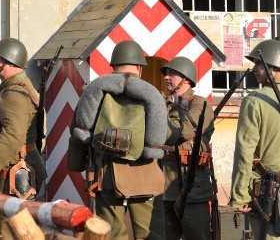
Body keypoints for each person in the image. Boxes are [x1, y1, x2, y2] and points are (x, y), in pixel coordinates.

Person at [68, 40, 167, 240]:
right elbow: (165, 134)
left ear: (112, 66)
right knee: (150, 234)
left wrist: (78, 166)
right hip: (145, 175)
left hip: (108, 175)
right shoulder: (154, 96)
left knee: (112, 234)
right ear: (139, 66)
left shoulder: (95, 91)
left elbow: (78, 133)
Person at [0, 37, 47, 237]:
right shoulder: (3, 90)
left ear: (10, 61)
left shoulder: (14, 93)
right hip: (7, 166)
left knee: (10, 232)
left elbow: (13, 136)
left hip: (16, 170)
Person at [230, 39, 280, 239]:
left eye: (259, 64)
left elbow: (244, 153)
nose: (254, 69)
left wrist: (239, 196)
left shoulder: (254, 100)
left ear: (274, 66)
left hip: (269, 196)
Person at [160, 57, 214, 240]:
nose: (167, 77)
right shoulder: (164, 104)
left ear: (186, 79)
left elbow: (184, 131)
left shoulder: (200, 104)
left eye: (172, 74)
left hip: (191, 183)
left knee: (198, 236)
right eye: (166, 74)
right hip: (163, 184)